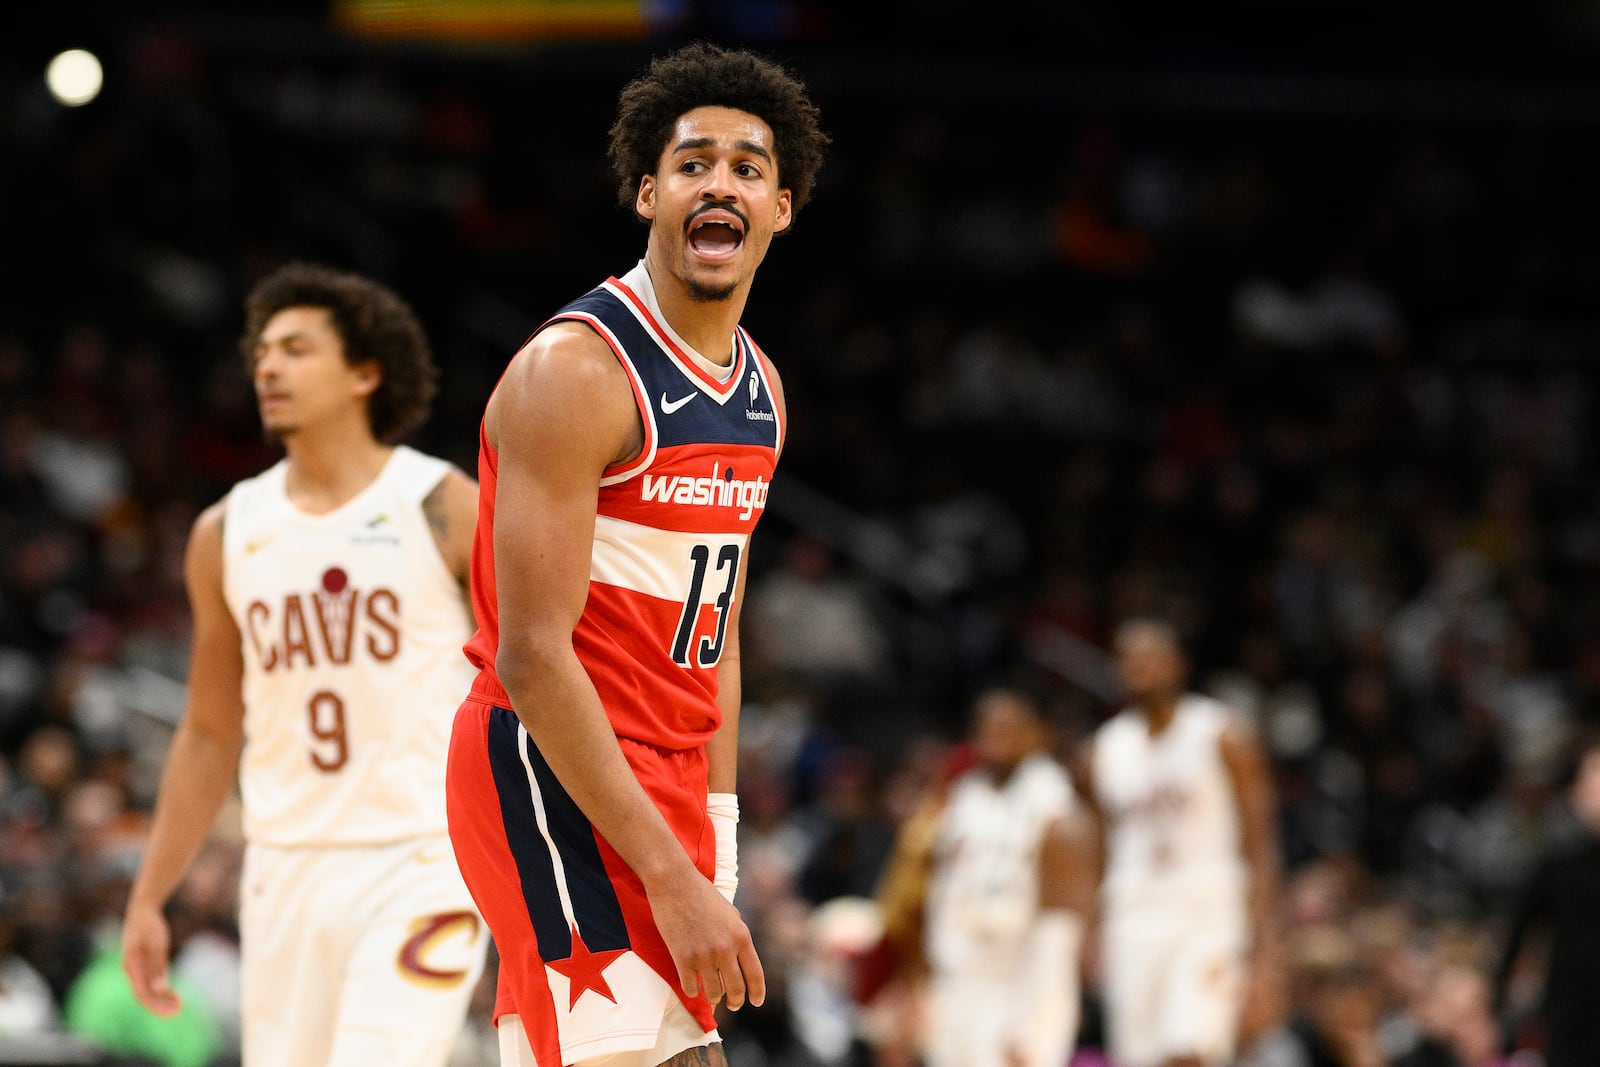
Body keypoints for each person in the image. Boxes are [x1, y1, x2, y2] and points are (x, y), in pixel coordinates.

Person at [442, 41, 829, 1067]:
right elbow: (528, 654)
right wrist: (668, 869)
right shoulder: (576, 371)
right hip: (546, 761)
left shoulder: (761, 390)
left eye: (748, 167)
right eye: (694, 162)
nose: (720, 183)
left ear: (780, 208)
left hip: (660, 775)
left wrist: (719, 823)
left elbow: (721, 630)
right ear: (650, 192)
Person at [120, 262, 489, 1067]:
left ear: (365, 371)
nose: (269, 367)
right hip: (283, 864)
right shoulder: (225, 530)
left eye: (296, 348)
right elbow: (211, 731)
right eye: (262, 353)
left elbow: (528, 672)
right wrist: (150, 895)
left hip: (423, 855)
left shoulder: (440, 502)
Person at [1078, 617, 1286, 1067]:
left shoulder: (1222, 735)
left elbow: (1261, 844)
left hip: (1207, 913)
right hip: (1132, 915)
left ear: (1179, 665)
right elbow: (1096, 852)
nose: (1141, 669)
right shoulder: (1102, 750)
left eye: (1152, 658)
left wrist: (1267, 949)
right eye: (1129, 660)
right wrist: (1091, 930)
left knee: (1192, 1049)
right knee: (1139, 1055)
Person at [918, 683, 1094, 1067]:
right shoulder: (964, 797)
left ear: (1038, 734)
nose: (994, 738)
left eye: (1009, 727)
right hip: (961, 977)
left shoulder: (1056, 809)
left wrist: (1033, 1021)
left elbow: (1060, 931)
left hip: (1019, 982)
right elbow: (940, 895)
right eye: (986, 727)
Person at [1491, 736, 1600, 1067]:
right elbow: (1519, 930)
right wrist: (1499, 999)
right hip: (1569, 1006)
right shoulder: (1557, 861)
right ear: (1575, 792)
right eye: (1595, 779)